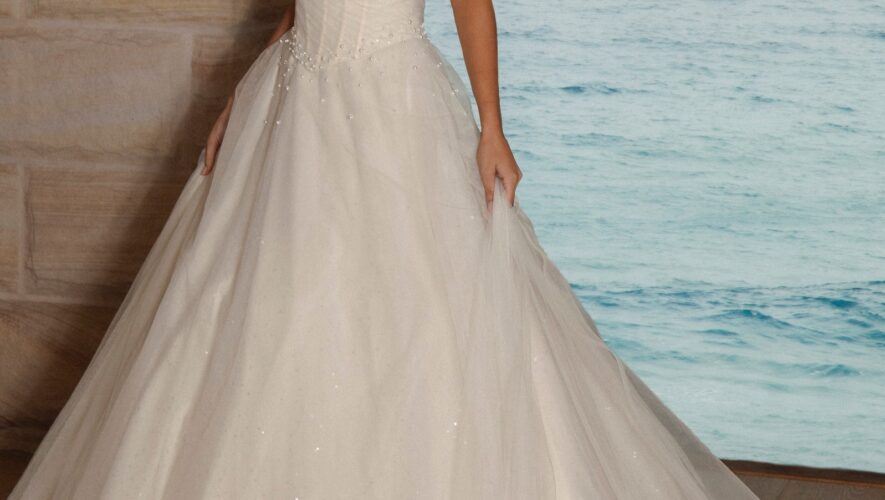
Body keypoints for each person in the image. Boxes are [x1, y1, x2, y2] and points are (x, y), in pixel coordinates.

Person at [10, 0, 759, 498]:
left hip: (391, 106)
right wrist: (238, 96)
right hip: (293, 104)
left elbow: (471, 2)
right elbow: (301, 8)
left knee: (409, 312)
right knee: (266, 308)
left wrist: (492, 127)